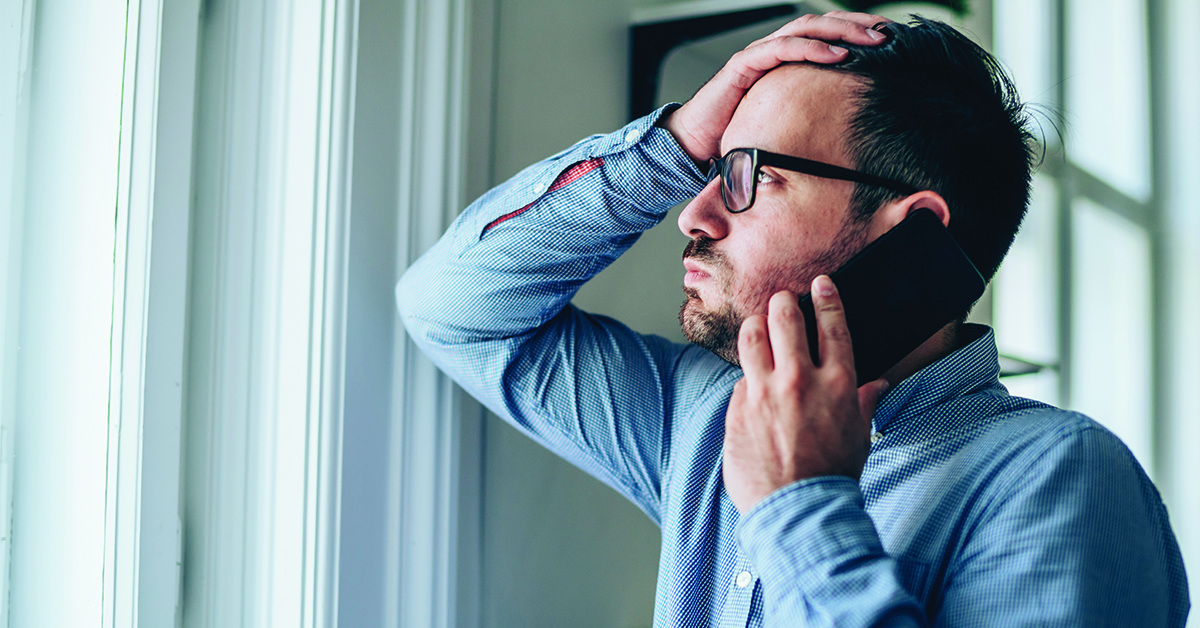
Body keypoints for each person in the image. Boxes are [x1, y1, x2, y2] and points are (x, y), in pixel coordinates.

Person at [396, 11, 1189, 627]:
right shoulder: (703, 420)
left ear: (909, 228)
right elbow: (457, 308)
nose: (693, 214)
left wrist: (800, 505)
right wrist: (668, 146)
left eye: (746, 176)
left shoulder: (1059, 478)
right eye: (706, 170)